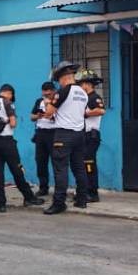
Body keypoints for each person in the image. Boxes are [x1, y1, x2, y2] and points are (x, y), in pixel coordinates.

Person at [0, 84, 43, 213]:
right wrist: (8, 120)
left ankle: (0, 204)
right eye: (12, 95)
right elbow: (13, 123)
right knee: (17, 170)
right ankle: (29, 197)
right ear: (9, 93)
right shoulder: (8, 103)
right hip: (7, 142)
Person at [44, 61, 90, 215]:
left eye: (58, 80)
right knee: (79, 167)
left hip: (63, 134)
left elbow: (49, 112)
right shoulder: (83, 92)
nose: (58, 83)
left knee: (60, 169)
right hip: (79, 134)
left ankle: (59, 203)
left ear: (63, 78)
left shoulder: (63, 91)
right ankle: (82, 199)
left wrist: (48, 103)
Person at [78, 70, 105, 203]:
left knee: (89, 164)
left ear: (88, 84)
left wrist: (86, 114)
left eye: (82, 83)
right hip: (83, 135)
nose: (81, 86)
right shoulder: (84, 98)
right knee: (82, 164)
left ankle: (92, 193)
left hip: (91, 136)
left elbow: (101, 110)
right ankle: (84, 191)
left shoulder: (94, 97)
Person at [29, 81, 57, 197]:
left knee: (57, 162)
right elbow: (32, 116)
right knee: (40, 161)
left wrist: (48, 105)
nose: (46, 96)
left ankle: (59, 190)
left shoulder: (57, 101)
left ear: (53, 92)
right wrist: (38, 116)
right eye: (44, 94)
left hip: (54, 133)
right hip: (41, 133)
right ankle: (43, 187)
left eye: (48, 94)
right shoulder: (38, 101)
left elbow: (56, 117)